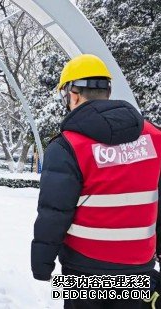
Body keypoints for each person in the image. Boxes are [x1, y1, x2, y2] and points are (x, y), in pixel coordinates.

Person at [31, 54, 161, 309]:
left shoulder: (67, 146)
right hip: (139, 266)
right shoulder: (154, 137)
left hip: (83, 266)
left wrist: (42, 263)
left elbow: (54, 212)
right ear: (108, 91)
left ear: (73, 95)